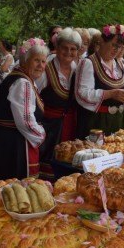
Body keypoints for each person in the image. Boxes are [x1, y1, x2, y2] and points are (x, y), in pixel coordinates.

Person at [0, 38, 48, 180]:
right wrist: (43, 136)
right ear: (24, 61)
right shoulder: (22, 83)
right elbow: (26, 122)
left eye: (43, 61)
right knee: (17, 187)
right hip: (15, 145)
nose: (40, 65)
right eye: (36, 61)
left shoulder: (20, 78)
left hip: (6, 141)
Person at [75, 24, 124, 136]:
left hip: (119, 121)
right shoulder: (88, 63)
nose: (117, 50)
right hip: (97, 122)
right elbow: (81, 93)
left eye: (121, 47)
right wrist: (110, 94)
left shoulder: (120, 65)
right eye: (114, 45)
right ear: (102, 41)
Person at [37, 28, 80, 174]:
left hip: (71, 124)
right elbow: (33, 96)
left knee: (68, 162)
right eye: (64, 48)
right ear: (57, 47)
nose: (68, 52)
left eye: (73, 49)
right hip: (50, 128)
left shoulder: (78, 69)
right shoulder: (46, 69)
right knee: (48, 166)